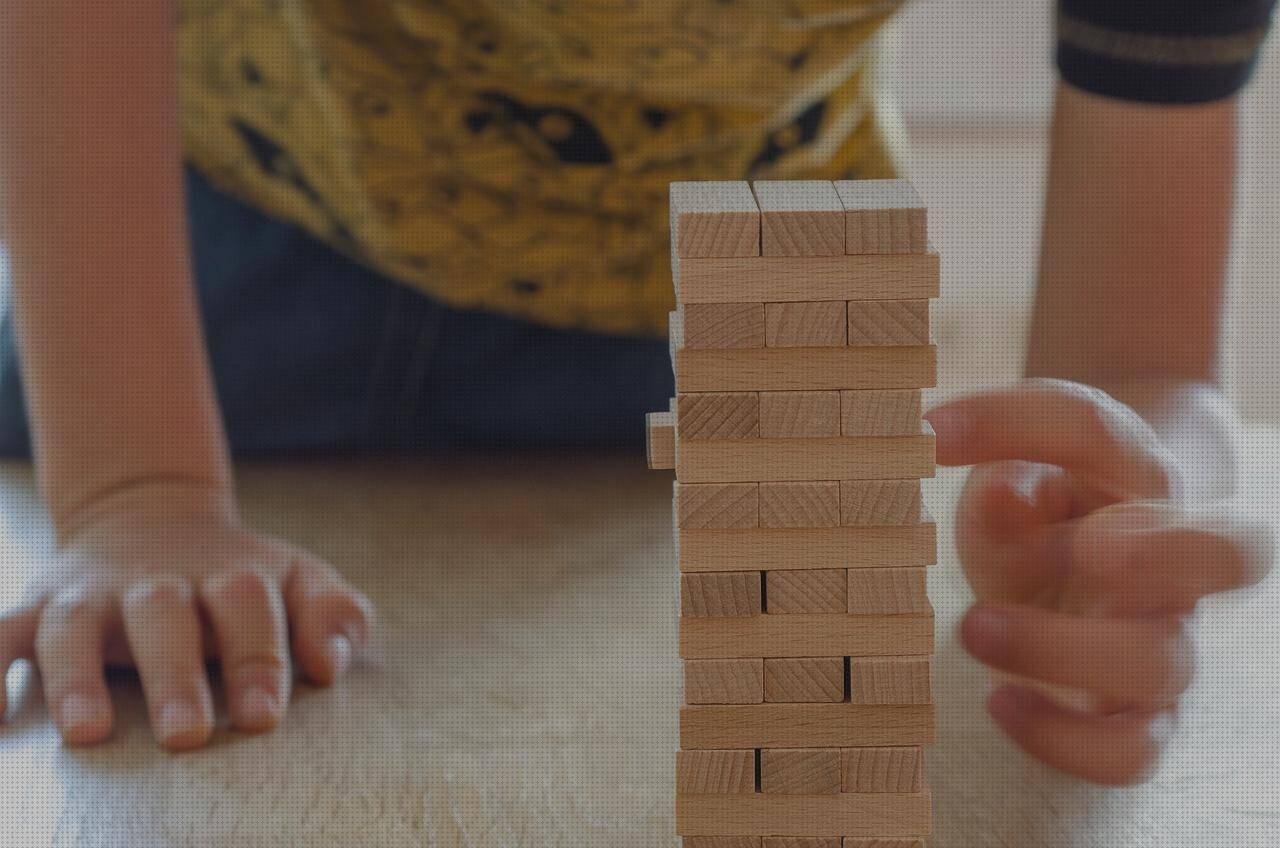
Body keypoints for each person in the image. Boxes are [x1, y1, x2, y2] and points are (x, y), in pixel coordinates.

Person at [0, 0, 1272, 787]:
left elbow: (1143, 369)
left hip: (727, 303)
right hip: (184, 290)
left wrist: (1121, 504)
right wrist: (136, 490)